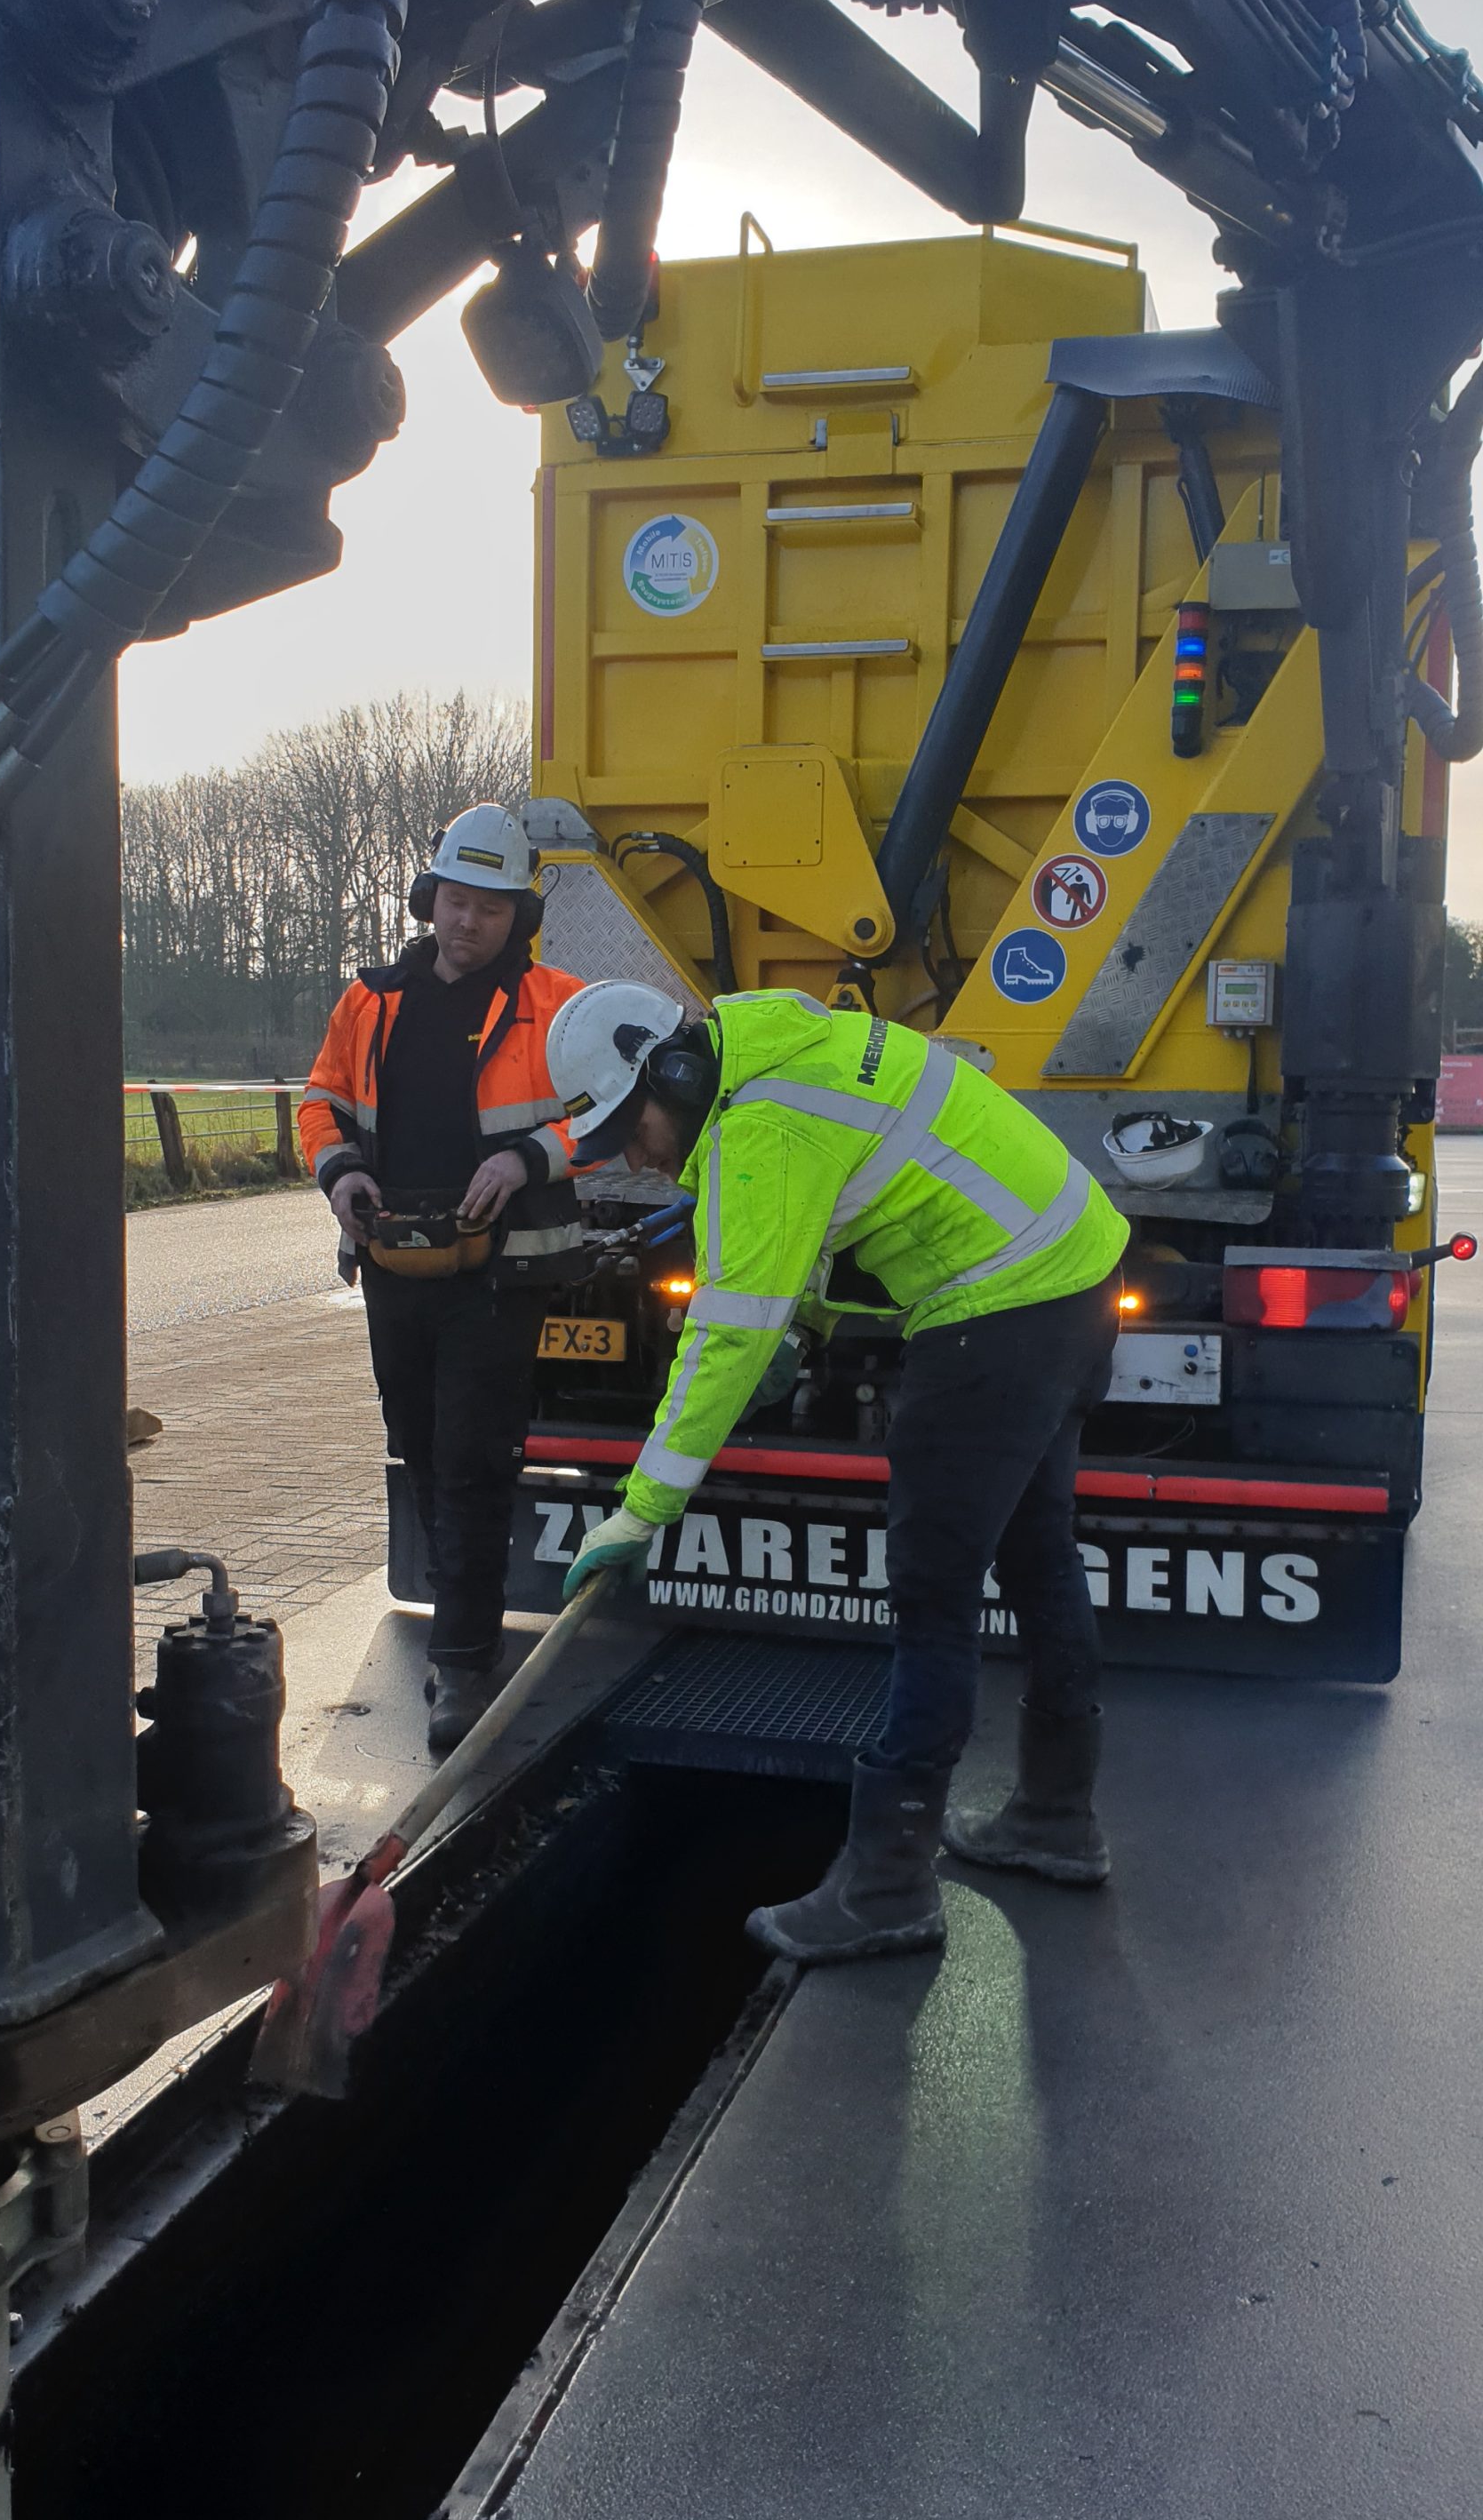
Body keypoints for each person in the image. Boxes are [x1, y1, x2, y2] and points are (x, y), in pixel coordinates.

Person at [549, 981, 1130, 1963]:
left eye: (631, 1127)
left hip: (1000, 1308)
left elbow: (725, 1335)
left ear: (673, 1075)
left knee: (932, 1587)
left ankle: (889, 1883)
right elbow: (835, 1203)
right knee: (1037, 1548)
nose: (638, 1158)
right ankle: (1055, 1814)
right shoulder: (782, 1052)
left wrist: (640, 1509)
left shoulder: (761, 1125)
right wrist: (808, 1324)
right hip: (1076, 1267)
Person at [299, 806, 585, 1754]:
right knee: (420, 1446)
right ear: (431, 901)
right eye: (457, 902)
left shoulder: (559, 1003)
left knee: (472, 1459)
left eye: (492, 909)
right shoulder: (370, 1000)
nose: (470, 923)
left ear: (518, 917)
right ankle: (458, 1629)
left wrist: (530, 1161)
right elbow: (321, 1102)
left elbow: (617, 1109)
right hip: (395, 1264)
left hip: (501, 1275)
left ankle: (464, 1663)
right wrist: (342, 1175)